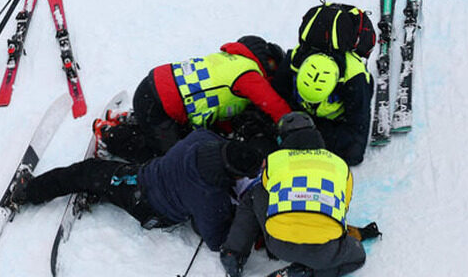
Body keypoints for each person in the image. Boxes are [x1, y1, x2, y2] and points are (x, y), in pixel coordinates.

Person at [18, 128, 263, 252]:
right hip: (145, 200)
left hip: (155, 179)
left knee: (108, 167)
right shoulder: (209, 197)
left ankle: (115, 137)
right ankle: (29, 192)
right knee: (88, 172)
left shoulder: (203, 138)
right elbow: (216, 240)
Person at [219, 113, 380, 277]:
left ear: (283, 139)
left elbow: (266, 191)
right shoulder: (340, 165)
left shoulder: (274, 160)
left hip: (278, 243)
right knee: (357, 257)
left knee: (254, 194)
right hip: (324, 249)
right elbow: (342, 207)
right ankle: (304, 272)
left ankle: (233, 254)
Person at [97, 35, 290, 163]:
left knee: (179, 134)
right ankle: (109, 136)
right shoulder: (249, 73)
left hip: (152, 90)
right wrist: (297, 128)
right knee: (167, 159)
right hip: (158, 105)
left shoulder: (230, 59)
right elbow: (275, 106)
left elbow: (217, 102)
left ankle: (130, 118)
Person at [272, 46, 373, 165]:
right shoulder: (294, 60)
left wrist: (311, 138)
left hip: (335, 122)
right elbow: (276, 96)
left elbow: (356, 146)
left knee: (350, 153)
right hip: (302, 112)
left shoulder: (355, 82)